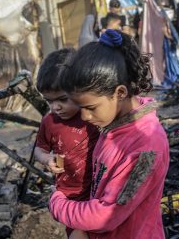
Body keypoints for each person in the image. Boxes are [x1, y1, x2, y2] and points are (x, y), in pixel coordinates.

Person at [49, 29, 170, 238]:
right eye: (80, 108)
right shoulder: (112, 124)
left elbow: (106, 215)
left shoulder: (146, 146)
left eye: (91, 108)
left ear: (120, 92)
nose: (85, 117)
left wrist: (57, 203)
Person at [34, 48, 99, 238]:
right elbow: (39, 148)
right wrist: (47, 159)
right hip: (70, 194)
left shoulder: (93, 115)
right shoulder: (49, 121)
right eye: (49, 101)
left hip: (98, 191)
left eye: (63, 99)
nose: (56, 107)